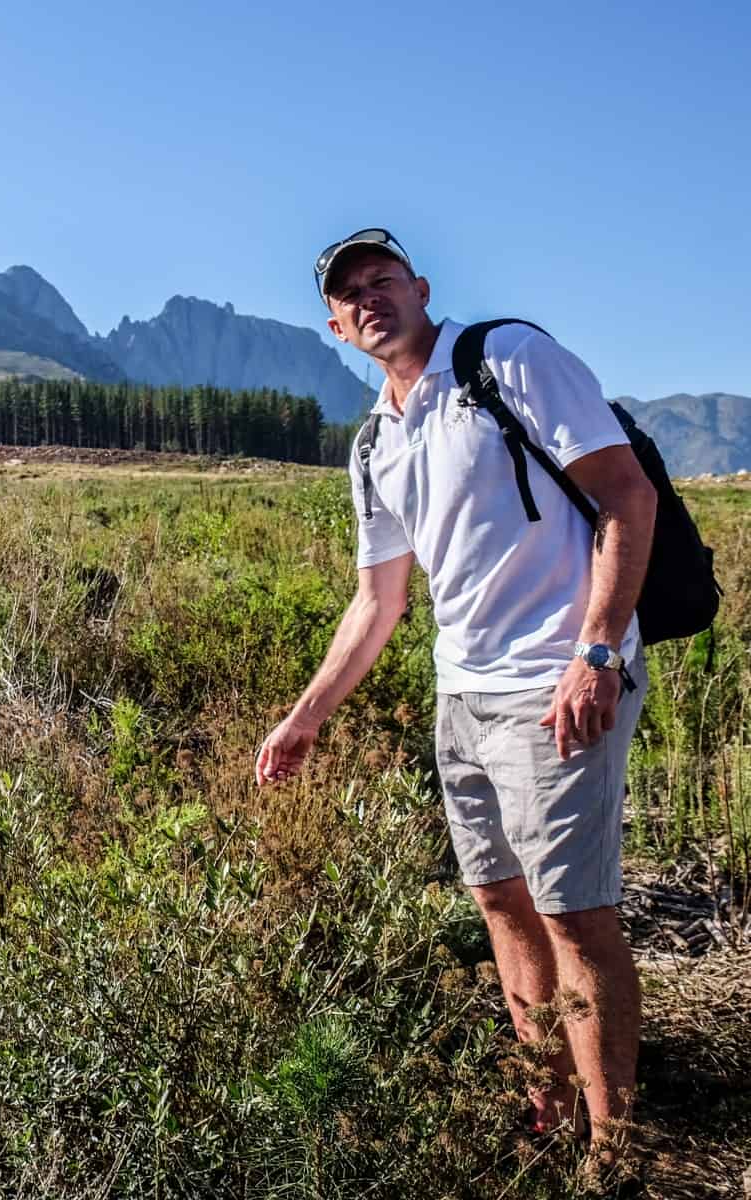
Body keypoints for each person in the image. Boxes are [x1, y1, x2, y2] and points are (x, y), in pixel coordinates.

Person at [255, 229, 658, 1162]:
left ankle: (615, 1155)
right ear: (336, 327)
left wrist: (595, 653)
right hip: (462, 699)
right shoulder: (374, 445)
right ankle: (551, 1119)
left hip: (558, 685)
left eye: (382, 279)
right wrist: (305, 717)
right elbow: (378, 601)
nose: (369, 299)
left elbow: (625, 498)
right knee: (502, 906)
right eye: (350, 294)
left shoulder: (507, 359)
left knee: (573, 915)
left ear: (420, 286)